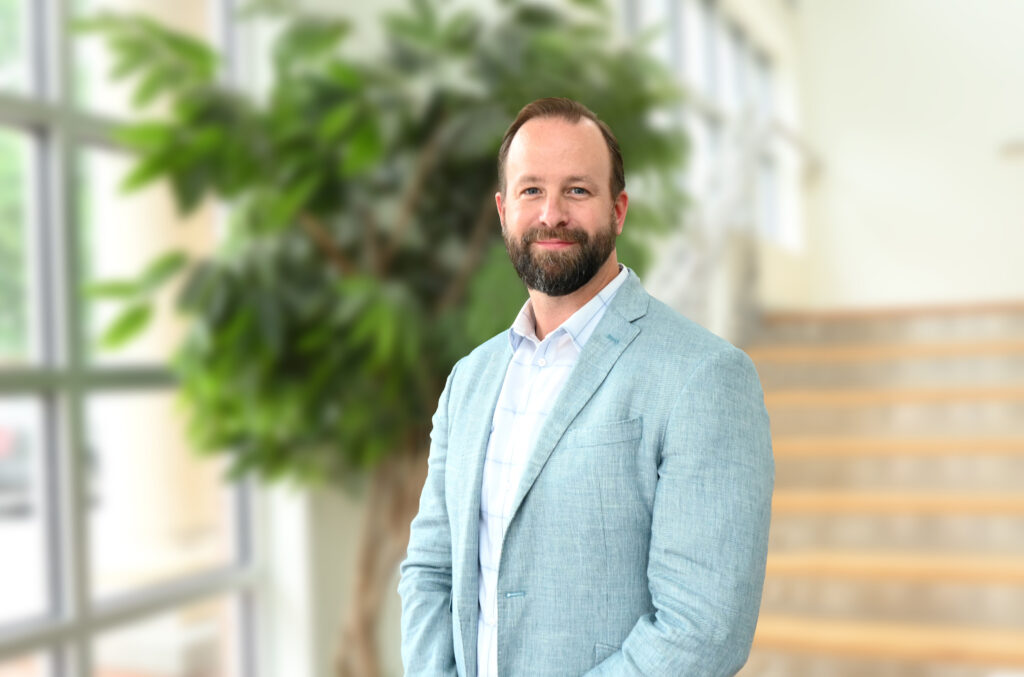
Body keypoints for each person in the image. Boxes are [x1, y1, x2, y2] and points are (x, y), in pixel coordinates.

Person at [398, 97, 774, 677]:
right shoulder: (468, 380)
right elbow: (429, 570)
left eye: (577, 190)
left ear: (618, 209)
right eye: (530, 191)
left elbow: (703, 629)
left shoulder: (705, 378)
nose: (552, 214)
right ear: (503, 210)